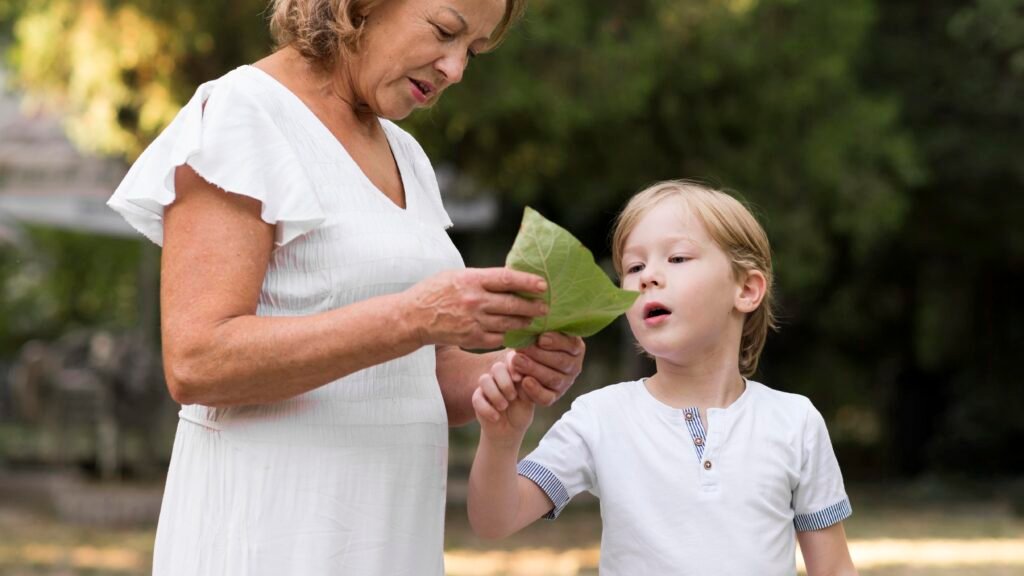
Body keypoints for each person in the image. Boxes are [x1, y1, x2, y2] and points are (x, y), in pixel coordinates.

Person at [106, 0, 587, 574]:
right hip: (273, 538)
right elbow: (196, 362)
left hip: (389, 538)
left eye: (473, 52)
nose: (456, 69)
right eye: (444, 31)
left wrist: (509, 371)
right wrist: (413, 317)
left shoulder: (406, 154)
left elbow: (411, 373)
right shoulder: (244, 113)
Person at [467, 180, 858, 575]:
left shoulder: (795, 423)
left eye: (677, 258)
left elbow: (834, 569)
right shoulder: (600, 417)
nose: (647, 277)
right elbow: (494, 521)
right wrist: (501, 441)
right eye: (634, 267)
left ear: (746, 289)